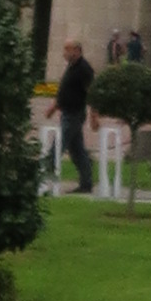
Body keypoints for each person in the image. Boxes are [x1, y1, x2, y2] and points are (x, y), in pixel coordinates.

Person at [55, 37, 96, 195]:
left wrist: (94, 115)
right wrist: (55, 106)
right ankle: (86, 183)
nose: (64, 53)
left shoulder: (84, 69)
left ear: (77, 51)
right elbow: (67, 89)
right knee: (77, 150)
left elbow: (92, 92)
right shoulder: (72, 66)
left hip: (74, 114)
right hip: (68, 112)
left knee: (58, 146)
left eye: (67, 49)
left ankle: (40, 178)